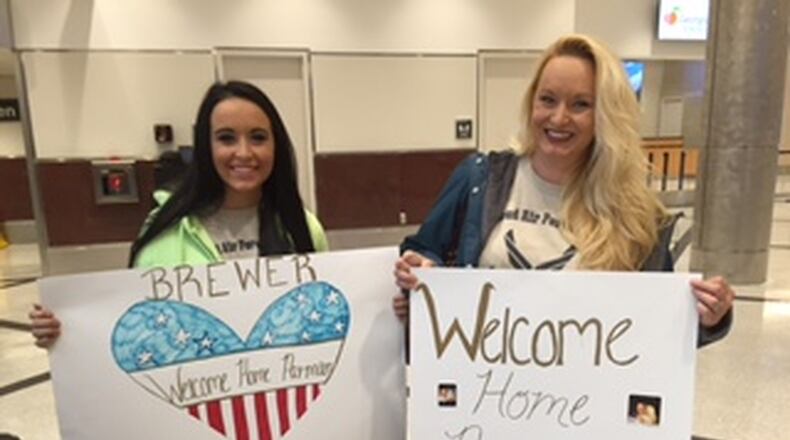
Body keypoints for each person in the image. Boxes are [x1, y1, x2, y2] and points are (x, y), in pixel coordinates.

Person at [393, 34, 733, 346]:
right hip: (482, 393)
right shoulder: (481, 178)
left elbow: (659, 323)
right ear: (532, 104)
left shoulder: (636, 214)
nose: (558, 118)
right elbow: (424, 250)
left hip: (581, 403)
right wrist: (419, 267)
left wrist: (709, 318)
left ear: (605, 115)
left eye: (580, 104)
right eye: (548, 99)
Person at [31, 80, 328, 348]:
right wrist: (67, 330)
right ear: (205, 147)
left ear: (276, 146)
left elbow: (325, 315)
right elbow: (134, 325)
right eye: (226, 138)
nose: (244, 152)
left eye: (258, 137)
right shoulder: (163, 235)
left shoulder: (302, 227)